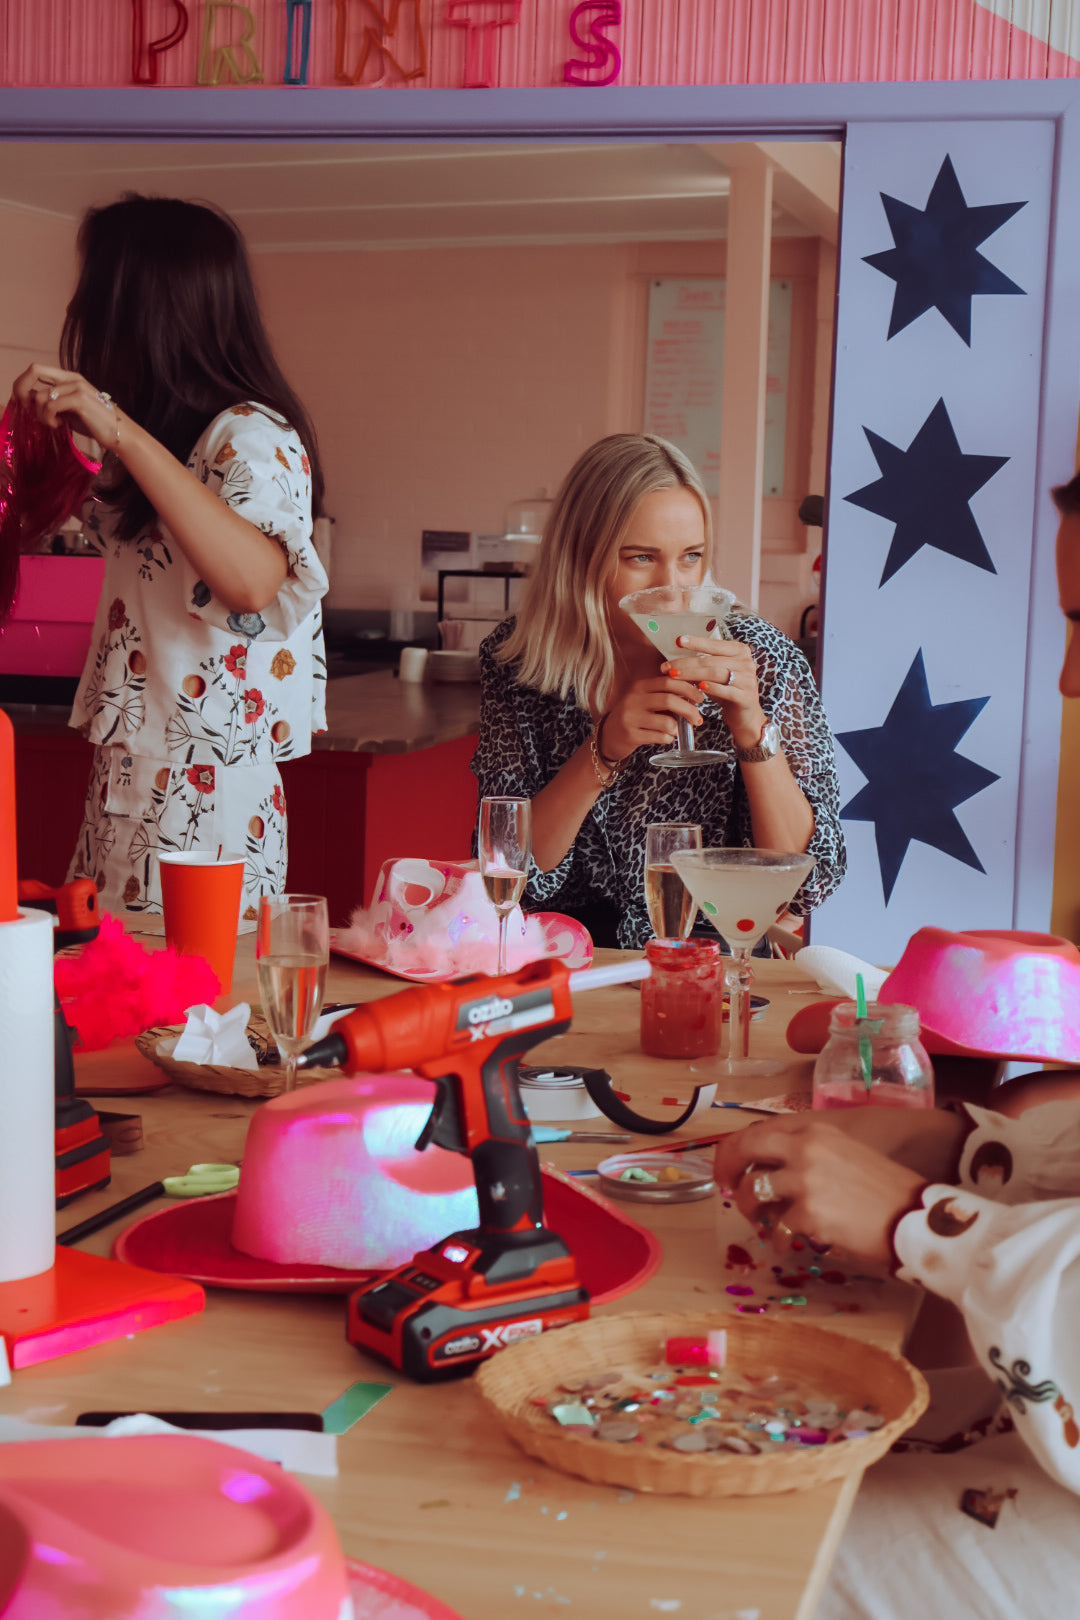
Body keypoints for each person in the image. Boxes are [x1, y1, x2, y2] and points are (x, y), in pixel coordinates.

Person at [714, 473, 1080, 1619]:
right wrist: (975, 1156)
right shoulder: (541, 686)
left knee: (709, 1538)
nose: (1068, 679)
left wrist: (920, 1221)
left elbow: (799, 871)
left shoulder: (766, 669)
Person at [10, 194, 328, 930]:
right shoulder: (171, 442)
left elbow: (252, 583)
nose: (81, 313)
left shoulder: (249, 435)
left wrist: (118, 431)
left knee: (175, 1012)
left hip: (201, 803)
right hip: (138, 775)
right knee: (112, 999)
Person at [470, 433, 845, 946]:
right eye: (641, 558)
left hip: (710, 957)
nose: (675, 588)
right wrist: (601, 752)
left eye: (691, 557)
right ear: (581, 558)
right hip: (568, 959)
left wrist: (752, 729)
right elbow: (508, 874)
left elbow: (806, 887)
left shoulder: (758, 655)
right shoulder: (518, 661)